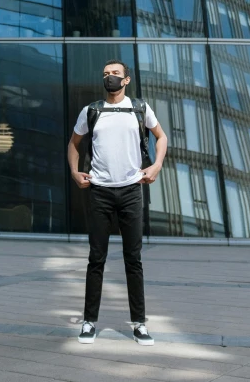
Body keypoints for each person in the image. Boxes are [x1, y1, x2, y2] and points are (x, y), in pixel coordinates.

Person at [67, 60, 168, 346]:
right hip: (99, 192)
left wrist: (156, 165)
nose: (109, 78)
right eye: (105, 74)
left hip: (131, 192)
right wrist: (75, 172)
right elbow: (74, 143)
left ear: (126, 80)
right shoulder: (92, 111)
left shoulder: (139, 109)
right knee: (95, 259)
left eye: (114, 74)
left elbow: (161, 137)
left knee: (133, 260)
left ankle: (139, 324)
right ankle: (89, 322)